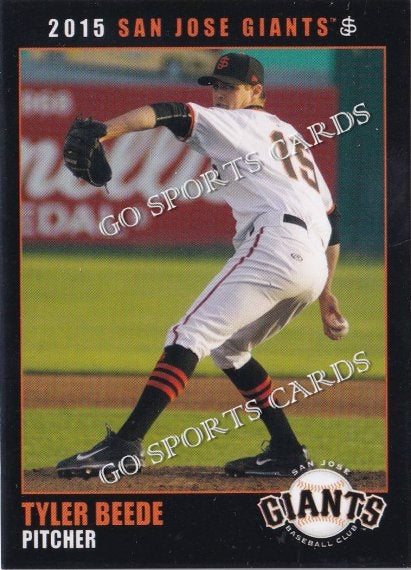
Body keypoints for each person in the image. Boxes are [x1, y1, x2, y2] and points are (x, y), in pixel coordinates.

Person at [57, 52, 346, 479]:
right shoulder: (289, 136)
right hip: (309, 262)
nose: (218, 94)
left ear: (256, 92)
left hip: (276, 245)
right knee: (230, 348)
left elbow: (168, 113)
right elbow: (332, 221)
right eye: (215, 85)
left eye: (229, 87)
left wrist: (106, 131)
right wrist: (324, 295)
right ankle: (287, 451)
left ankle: (124, 445)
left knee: (188, 334)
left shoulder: (237, 123)